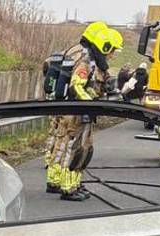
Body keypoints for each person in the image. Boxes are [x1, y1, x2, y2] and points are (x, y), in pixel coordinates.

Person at [44, 22, 120, 201]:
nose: (112, 55)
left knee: (63, 146)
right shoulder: (86, 61)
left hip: (68, 110)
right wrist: (91, 104)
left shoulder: (77, 53)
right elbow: (77, 86)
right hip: (76, 113)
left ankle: (57, 181)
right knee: (75, 149)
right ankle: (68, 187)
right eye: (112, 51)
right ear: (104, 46)